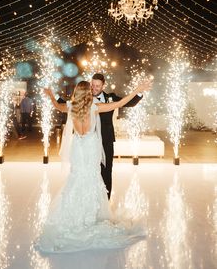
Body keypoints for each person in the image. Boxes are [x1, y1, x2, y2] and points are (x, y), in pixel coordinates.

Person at [36, 79, 152, 254]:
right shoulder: (95, 107)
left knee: (76, 177)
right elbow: (120, 103)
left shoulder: (69, 106)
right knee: (92, 178)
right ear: (88, 93)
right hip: (90, 146)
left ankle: (74, 214)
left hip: (78, 146)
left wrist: (51, 94)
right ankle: (91, 215)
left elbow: (56, 105)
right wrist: (137, 89)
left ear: (76, 92)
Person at [91, 73, 144, 199]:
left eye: (97, 85)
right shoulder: (84, 97)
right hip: (90, 140)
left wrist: (139, 93)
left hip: (107, 140)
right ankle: (91, 200)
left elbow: (128, 103)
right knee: (91, 171)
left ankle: (106, 202)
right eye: (92, 85)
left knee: (107, 170)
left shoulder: (111, 97)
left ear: (104, 85)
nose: (94, 88)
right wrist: (53, 96)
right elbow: (68, 103)